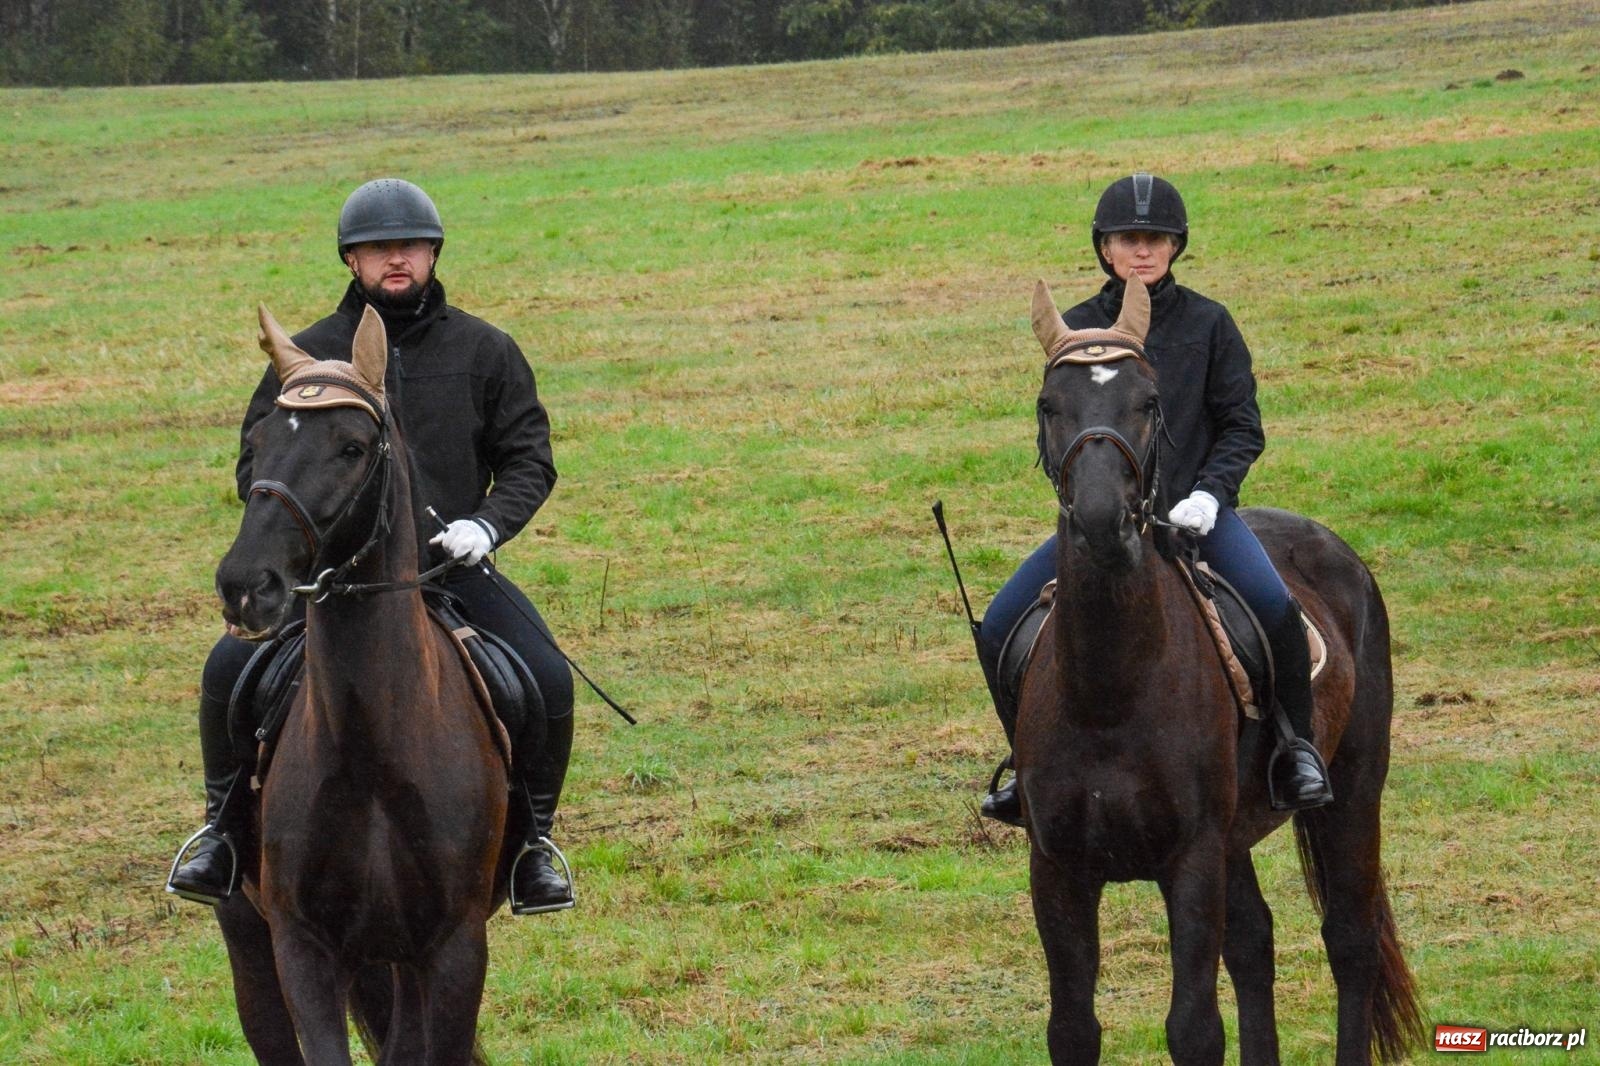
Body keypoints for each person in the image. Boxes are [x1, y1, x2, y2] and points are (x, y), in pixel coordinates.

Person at [169, 178, 577, 914]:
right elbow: (257, 463)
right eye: (378, 248)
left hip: (451, 573)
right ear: (350, 262)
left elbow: (529, 460)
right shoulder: (309, 358)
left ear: (433, 253)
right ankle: (221, 834)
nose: (398, 259)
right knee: (228, 668)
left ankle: (532, 849)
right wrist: (304, 545)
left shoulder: (486, 350)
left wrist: (484, 527)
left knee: (546, 676)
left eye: (411, 246)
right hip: (329, 583)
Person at [978, 172, 1333, 826]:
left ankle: (1295, 750)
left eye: (1157, 238)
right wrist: (1087, 501)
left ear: (1176, 246)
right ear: (1104, 248)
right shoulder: (1076, 330)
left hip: (1198, 519)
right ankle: (1026, 771)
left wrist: (1208, 495)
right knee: (999, 623)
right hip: (1101, 525)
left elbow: (1240, 426)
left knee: (1278, 613)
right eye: (1127, 239)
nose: (1143, 250)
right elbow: (1055, 428)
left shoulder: (1209, 324)